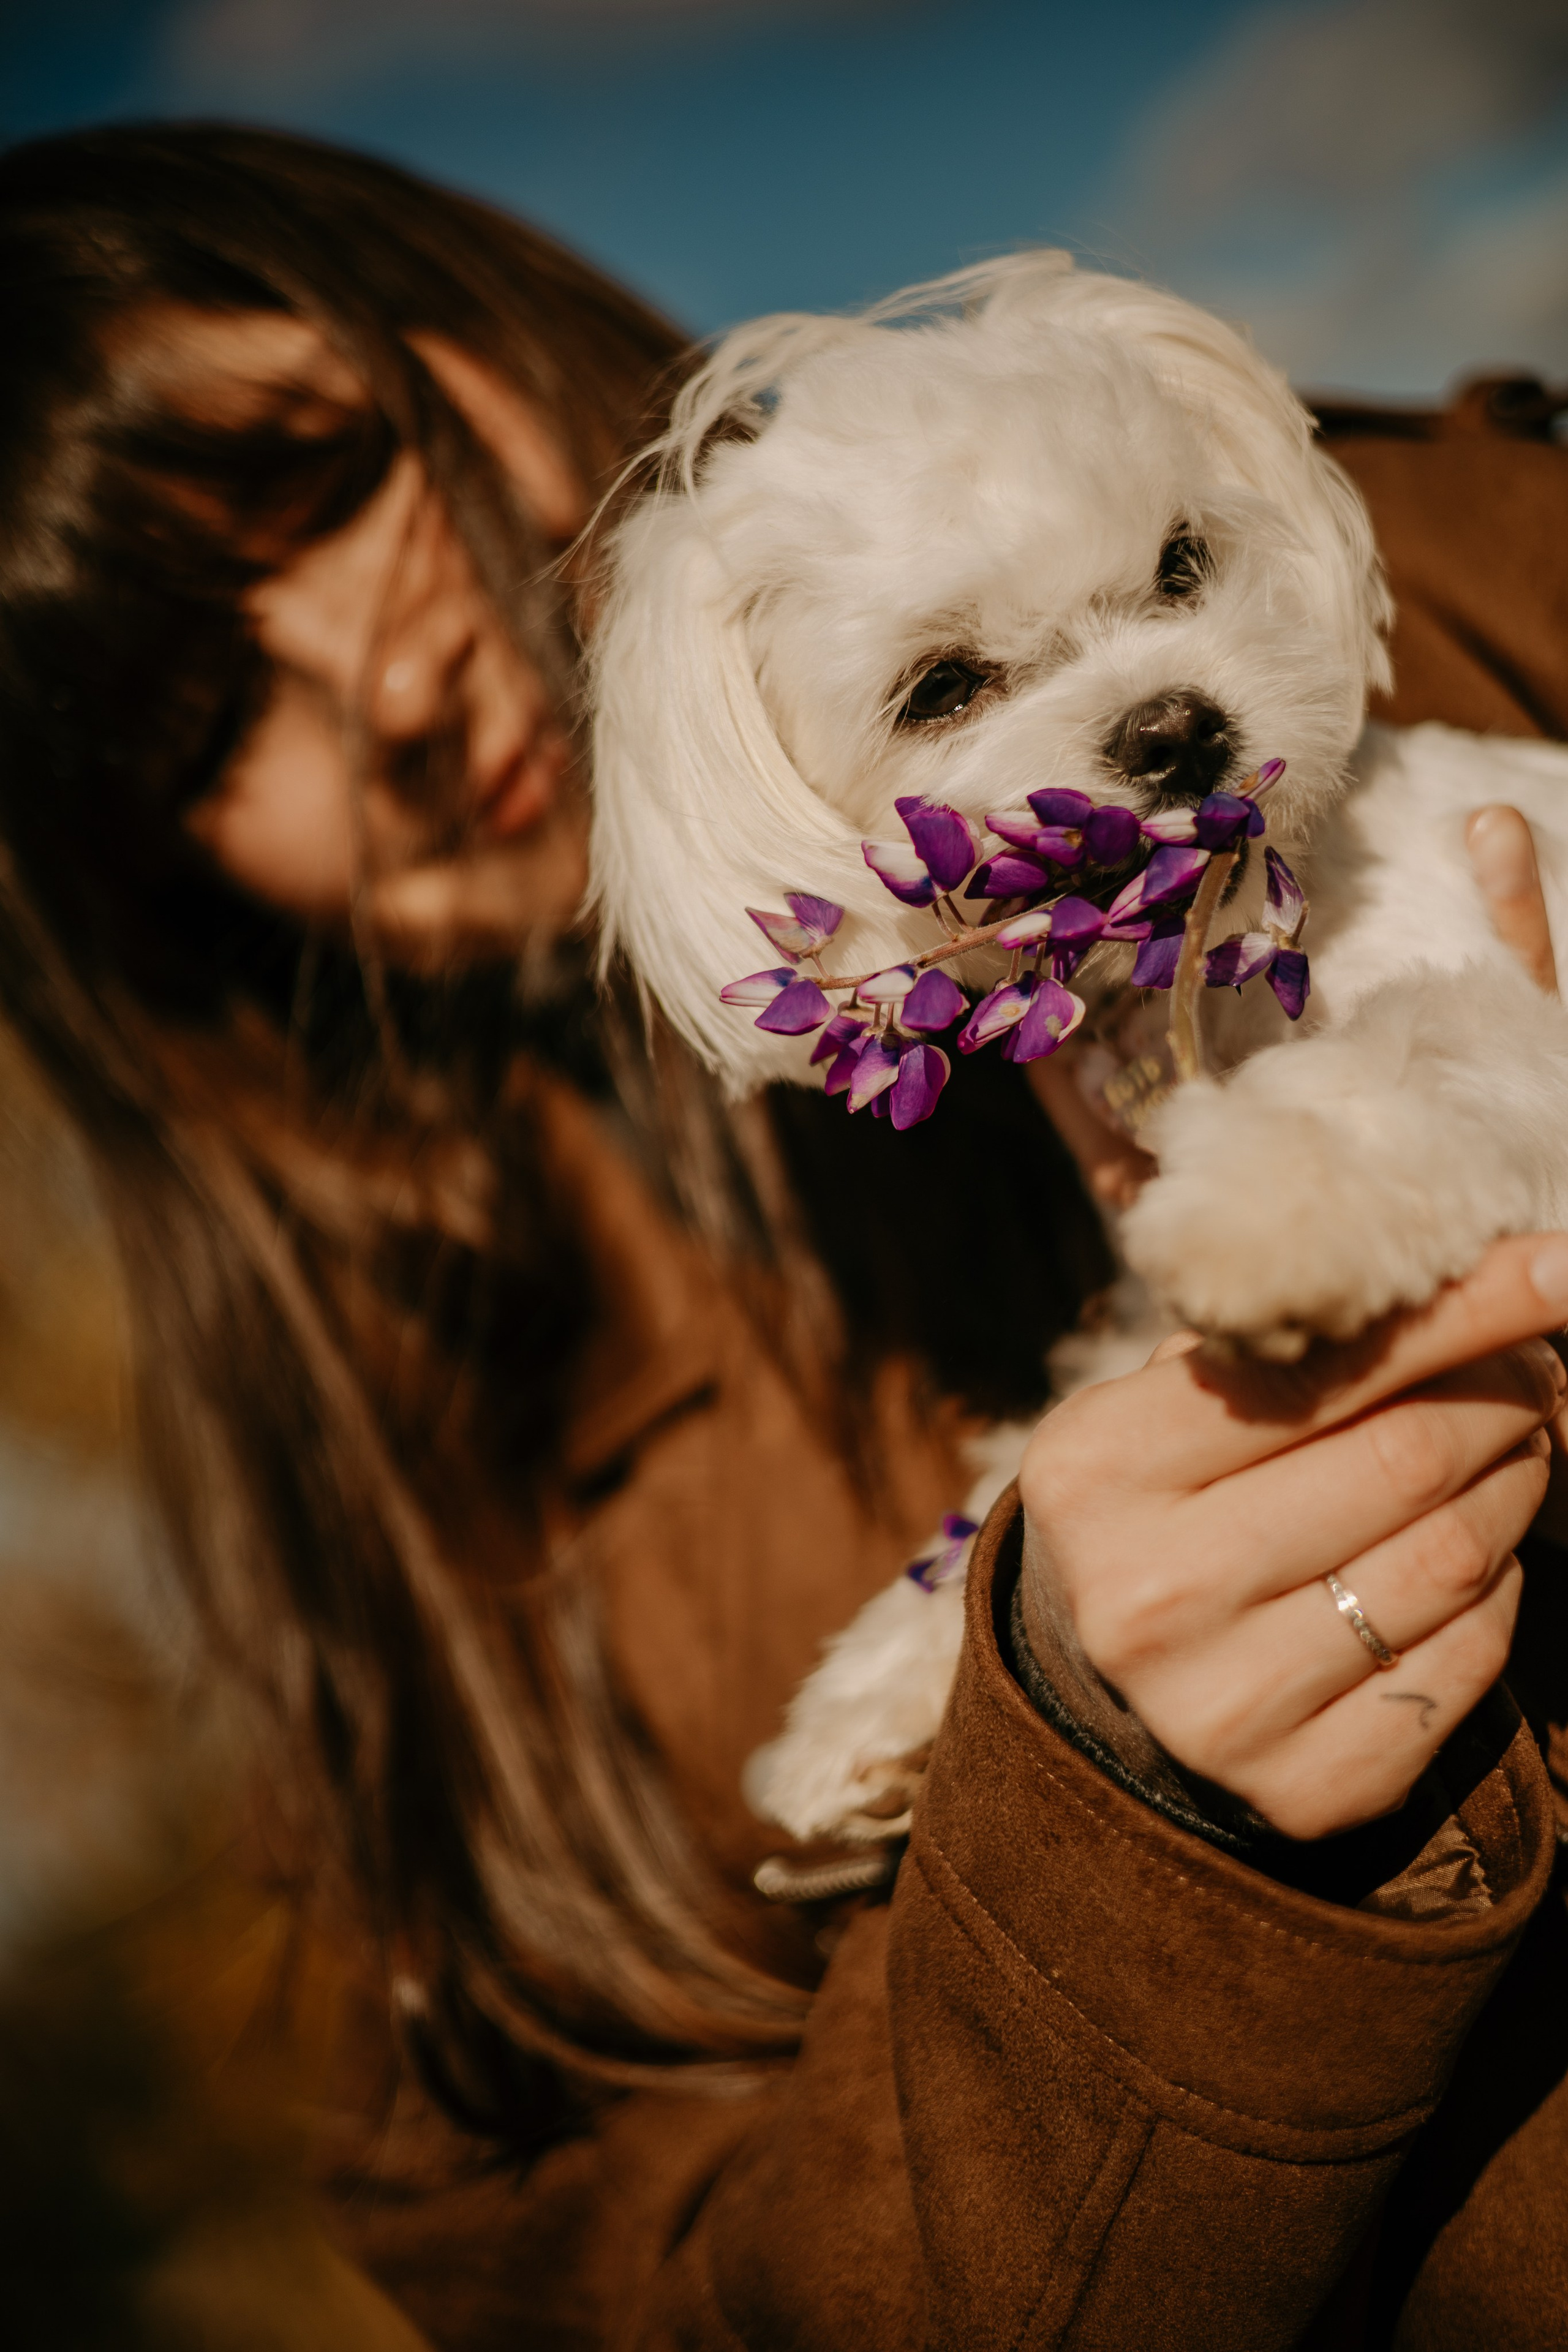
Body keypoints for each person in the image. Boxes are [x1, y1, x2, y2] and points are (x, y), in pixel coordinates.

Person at [0, 120, 1564, 2351]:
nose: (386, 685)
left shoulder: (1469, 572)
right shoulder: (400, 1557)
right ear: (141, 873)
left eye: (321, 482)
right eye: (197, 710)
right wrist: (1116, 1830)